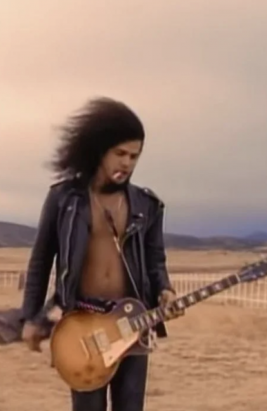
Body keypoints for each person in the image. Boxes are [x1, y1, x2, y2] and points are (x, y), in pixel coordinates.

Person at [20, 96, 183, 411]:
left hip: (133, 321)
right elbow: (40, 261)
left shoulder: (147, 205)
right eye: (120, 153)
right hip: (82, 323)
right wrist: (30, 316)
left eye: (134, 156)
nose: (127, 163)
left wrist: (165, 289)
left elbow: (155, 260)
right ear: (99, 150)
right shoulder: (64, 199)